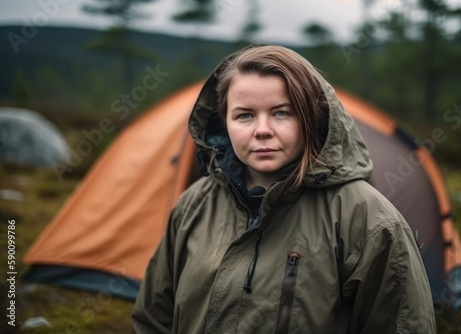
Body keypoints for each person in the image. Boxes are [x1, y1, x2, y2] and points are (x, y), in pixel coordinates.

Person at [132, 44, 437, 333]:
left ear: (311, 118)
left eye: (281, 112)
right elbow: (154, 318)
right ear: (224, 123)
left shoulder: (368, 219)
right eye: (244, 115)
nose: (262, 130)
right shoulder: (193, 206)